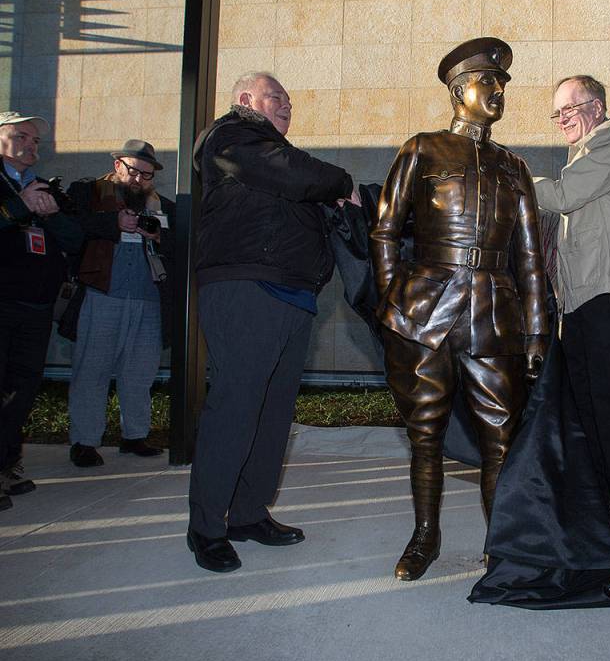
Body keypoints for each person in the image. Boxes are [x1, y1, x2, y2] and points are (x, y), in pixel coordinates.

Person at [370, 37, 549, 582]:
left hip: (495, 313)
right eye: (488, 82)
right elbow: (384, 231)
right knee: (425, 432)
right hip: (425, 310)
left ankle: (501, 544)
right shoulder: (421, 149)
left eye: (502, 85)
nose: (498, 92)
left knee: (501, 434)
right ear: (459, 89)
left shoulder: (513, 166)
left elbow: (531, 258)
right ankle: (426, 536)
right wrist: (392, 300)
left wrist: (537, 332)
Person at [187, 72, 356, 572]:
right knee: (237, 408)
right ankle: (206, 527)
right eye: (276, 97)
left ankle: (246, 512)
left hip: (292, 293)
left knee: (272, 413)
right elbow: (300, 175)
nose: (286, 106)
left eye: (288, 100)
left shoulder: (270, 156)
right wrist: (342, 183)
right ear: (246, 101)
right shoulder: (232, 136)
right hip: (246, 286)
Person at [532, 75, 610, 557]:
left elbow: (564, 197)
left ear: (598, 105)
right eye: (558, 112)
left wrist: (508, 174)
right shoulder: (582, 159)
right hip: (580, 302)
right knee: (585, 406)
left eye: (571, 107)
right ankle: (605, 501)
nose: (564, 117)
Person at [64, 140, 173, 468]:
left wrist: (159, 237)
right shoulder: (88, 193)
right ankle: (84, 440)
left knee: (140, 371)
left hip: (149, 297)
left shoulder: (160, 205)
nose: (139, 179)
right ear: (117, 166)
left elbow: (179, 242)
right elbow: (72, 229)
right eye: (133, 170)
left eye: (147, 174)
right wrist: (114, 224)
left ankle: (135, 434)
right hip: (102, 292)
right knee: (92, 369)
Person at [0, 111, 83, 509]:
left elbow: (75, 238)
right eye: (21, 136)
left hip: (36, 307)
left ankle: (7, 464)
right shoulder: (10, 190)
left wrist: (49, 213)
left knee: (22, 388)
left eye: (35, 140)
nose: (31, 145)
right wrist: (18, 207)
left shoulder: (43, 186)